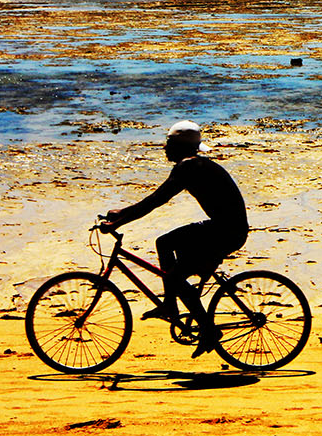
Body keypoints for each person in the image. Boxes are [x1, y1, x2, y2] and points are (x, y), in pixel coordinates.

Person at [101, 121, 248, 356]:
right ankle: (170, 305)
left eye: (168, 144)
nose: (165, 148)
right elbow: (154, 199)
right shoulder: (194, 164)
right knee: (165, 243)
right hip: (223, 228)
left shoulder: (188, 167)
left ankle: (208, 330)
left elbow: (156, 201)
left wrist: (119, 221)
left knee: (175, 277)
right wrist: (123, 213)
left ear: (179, 146)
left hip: (226, 233)